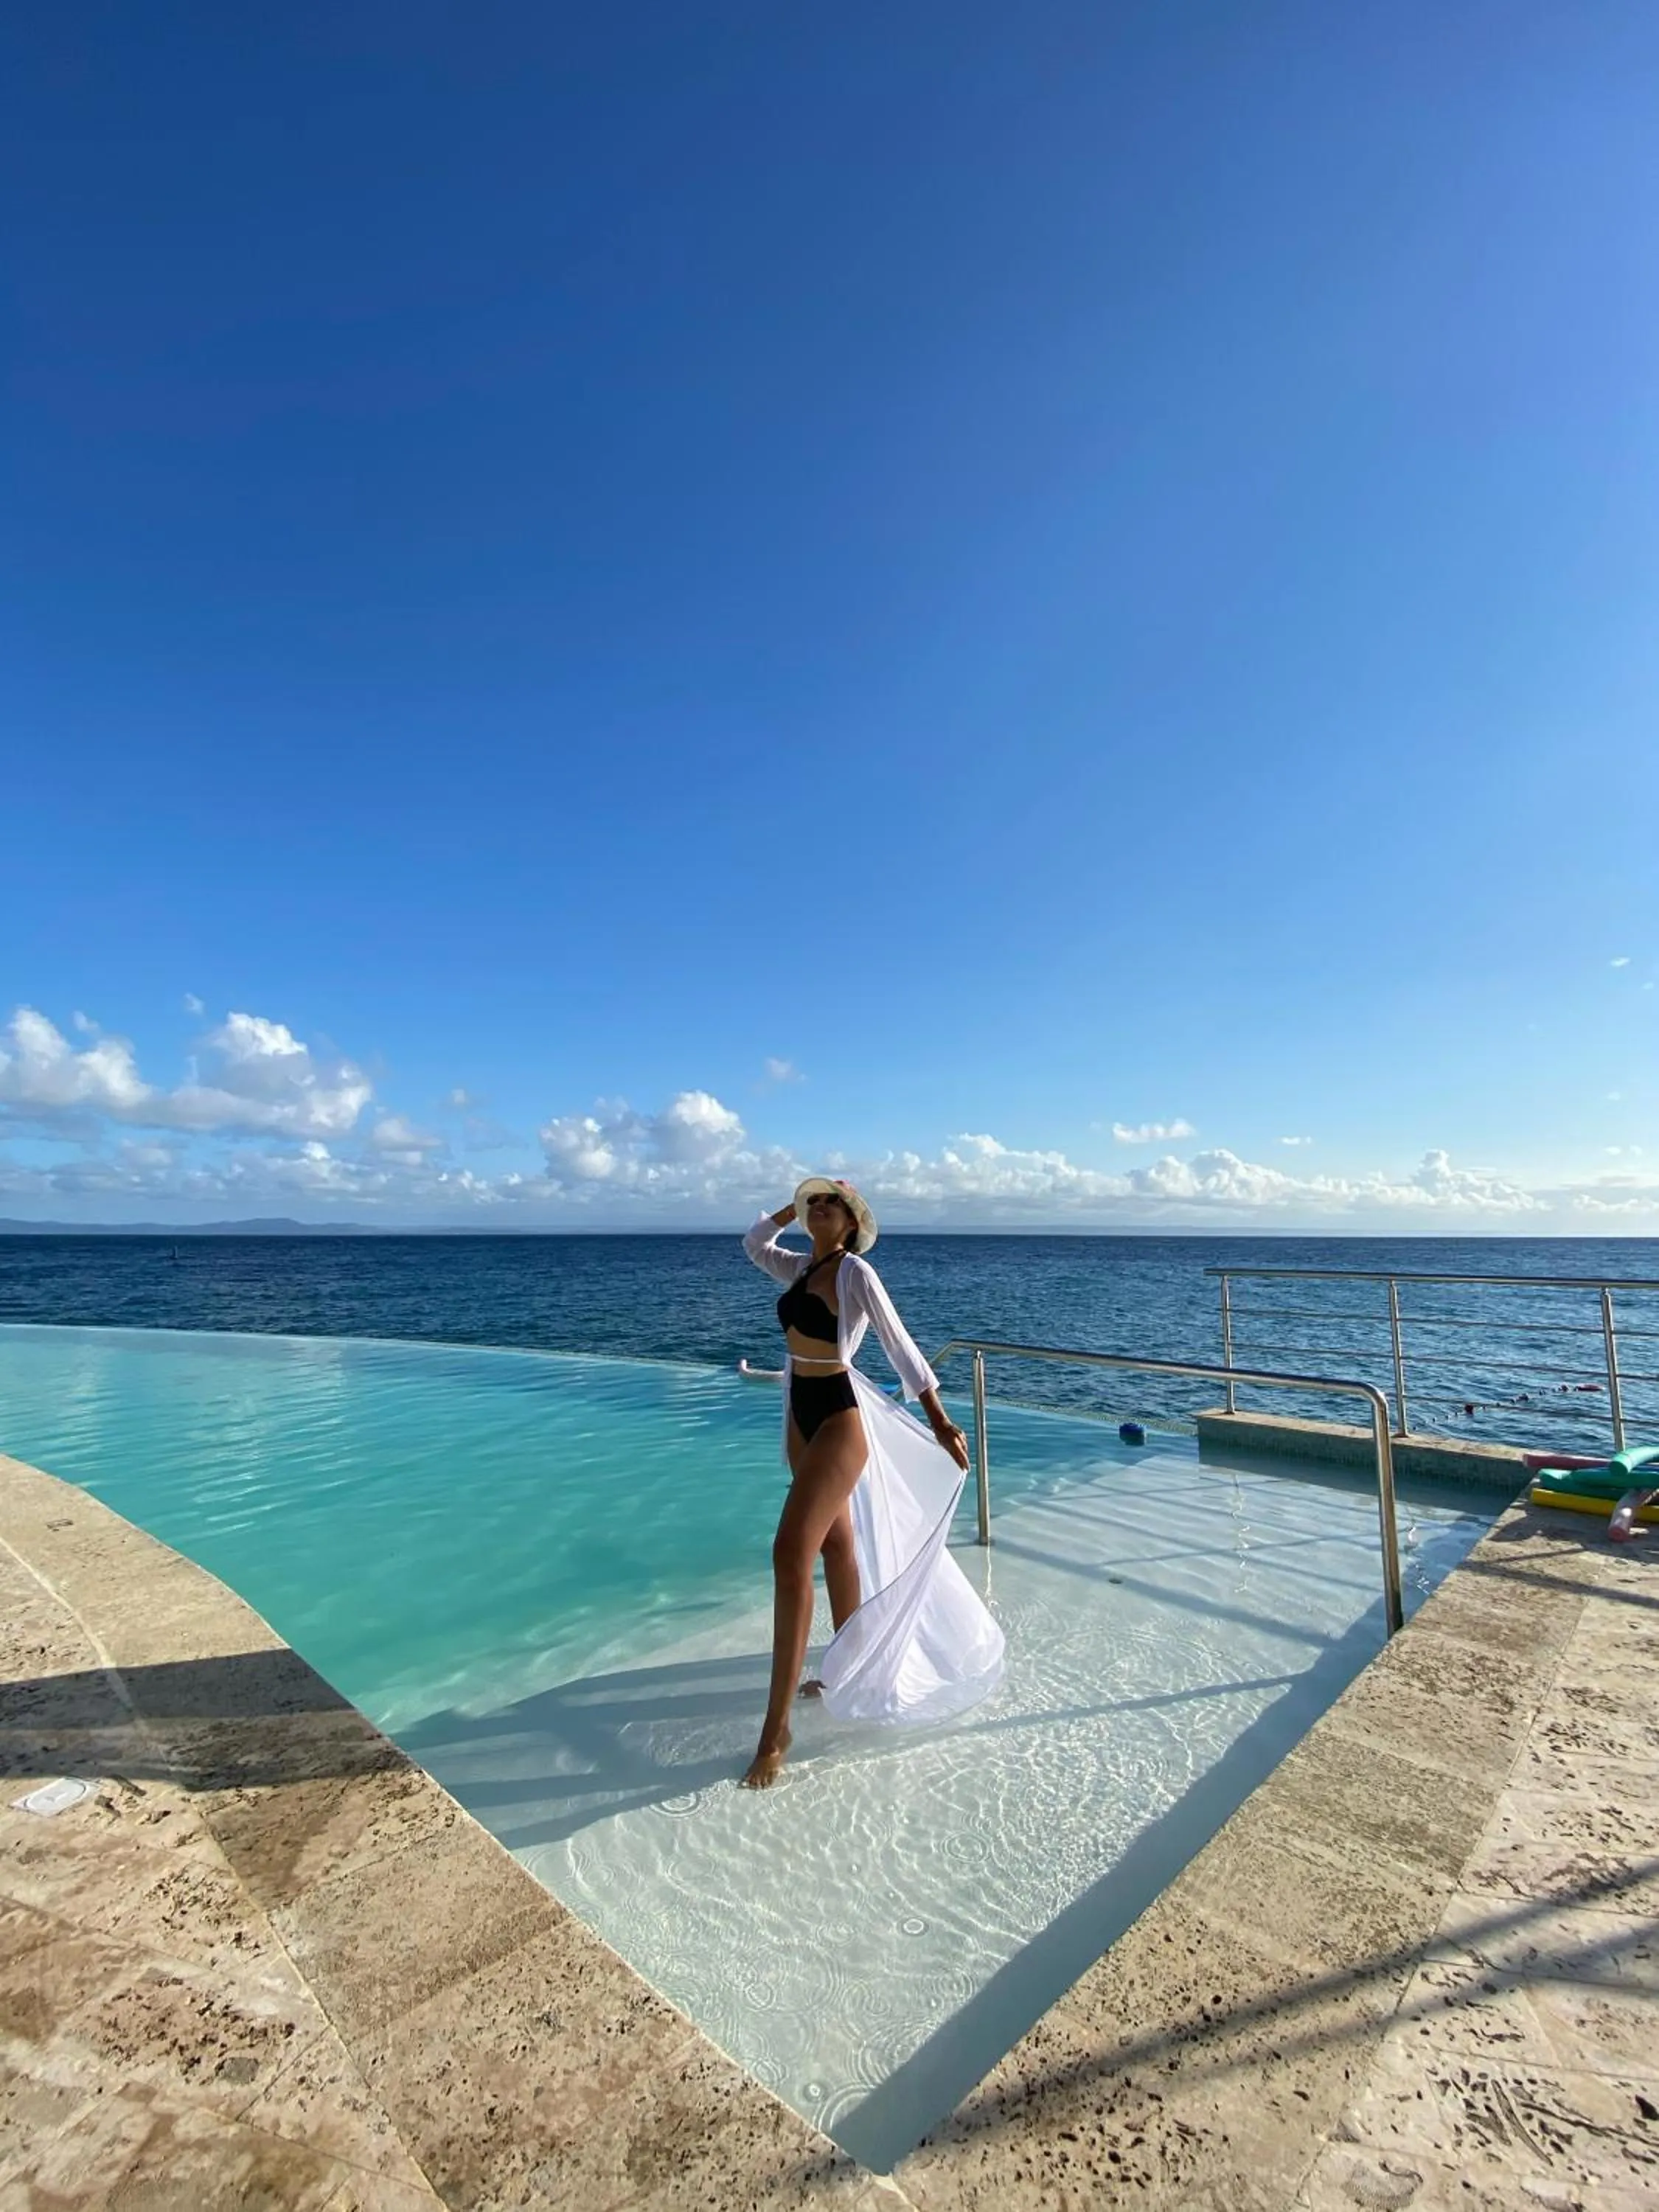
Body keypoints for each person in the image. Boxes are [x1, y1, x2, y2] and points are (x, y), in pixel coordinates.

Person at [740, 1178, 1006, 1787]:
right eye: (815, 1202)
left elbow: (897, 1342)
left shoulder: (855, 1272)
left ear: (853, 1223)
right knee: (837, 1546)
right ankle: (848, 1669)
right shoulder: (799, 1267)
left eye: (831, 1202)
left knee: (789, 1554)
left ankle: (776, 1728)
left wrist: (939, 1419)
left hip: (837, 1415)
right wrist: (792, 1206)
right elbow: (754, 1243)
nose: (820, 1207)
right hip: (798, 1418)